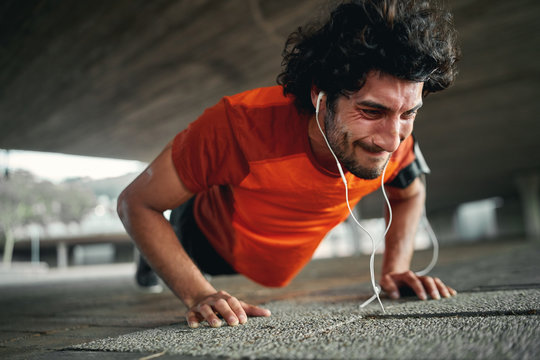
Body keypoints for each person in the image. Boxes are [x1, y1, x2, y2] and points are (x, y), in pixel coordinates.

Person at [117, 0, 460, 329]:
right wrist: (198, 293)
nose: (390, 140)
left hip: (275, 266)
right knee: (164, 232)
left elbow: (409, 194)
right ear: (319, 96)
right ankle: (149, 260)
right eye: (372, 111)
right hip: (204, 237)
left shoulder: (398, 142)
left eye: (408, 113)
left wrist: (395, 269)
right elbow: (136, 202)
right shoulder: (237, 125)